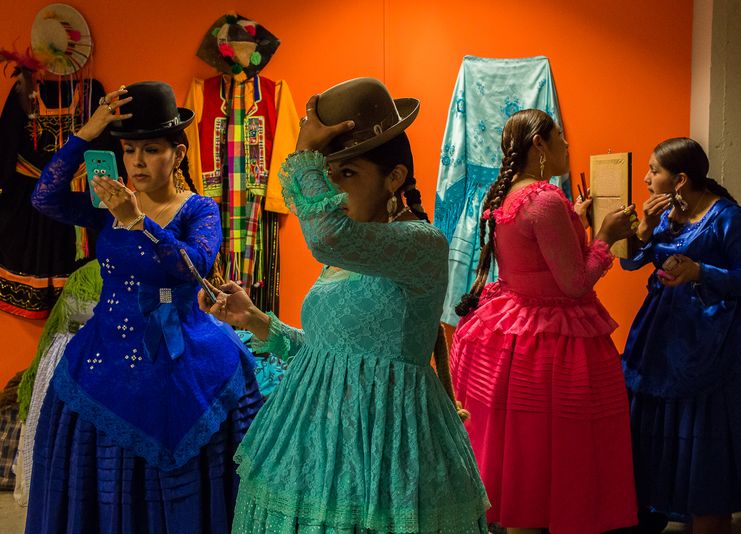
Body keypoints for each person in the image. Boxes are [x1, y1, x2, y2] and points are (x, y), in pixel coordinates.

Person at [199, 77, 489, 533]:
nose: (333, 189)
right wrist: (253, 318)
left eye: (348, 174)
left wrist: (303, 157)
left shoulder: (422, 244)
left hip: (386, 453)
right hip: (314, 450)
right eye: (328, 174)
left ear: (394, 177)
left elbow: (327, 235)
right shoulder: (353, 250)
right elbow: (326, 356)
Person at [26, 81, 263, 533]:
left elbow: (192, 267)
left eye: (151, 149)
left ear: (178, 153)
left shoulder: (200, 209)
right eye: (129, 149)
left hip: (186, 347)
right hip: (104, 349)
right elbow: (44, 197)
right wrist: (87, 134)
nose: (136, 162)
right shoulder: (105, 206)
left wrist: (140, 223)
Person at [448, 109, 639, 534]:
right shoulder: (546, 199)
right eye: (560, 138)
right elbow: (574, 283)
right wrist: (606, 235)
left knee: (522, 459)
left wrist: (578, 219)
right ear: (539, 145)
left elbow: (538, 261)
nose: (567, 146)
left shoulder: (507, 195)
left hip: (510, 331)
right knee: (557, 454)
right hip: (551, 341)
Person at [621, 137, 741, 533]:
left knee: (708, 445)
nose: (647, 178)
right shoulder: (667, 214)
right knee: (664, 438)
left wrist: (701, 272)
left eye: (654, 170)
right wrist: (646, 231)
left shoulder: (728, 218)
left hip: (721, 342)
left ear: (680, 179)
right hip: (665, 338)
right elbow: (631, 264)